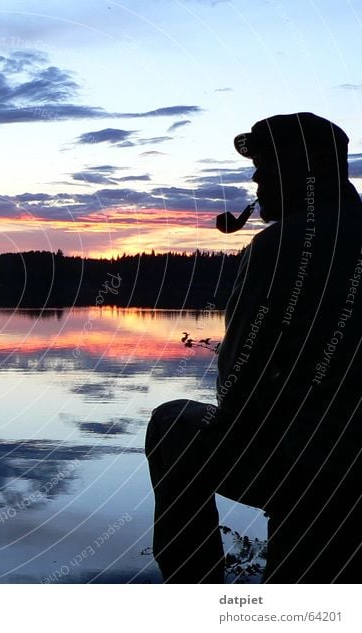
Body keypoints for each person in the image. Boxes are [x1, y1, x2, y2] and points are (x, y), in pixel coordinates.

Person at [145, 112, 362, 583]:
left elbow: (239, 390)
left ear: (295, 173)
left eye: (263, 168)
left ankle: (195, 587)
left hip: (310, 470)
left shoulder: (277, 247)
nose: (255, 180)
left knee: (170, 423)